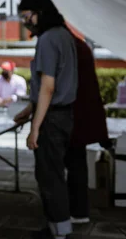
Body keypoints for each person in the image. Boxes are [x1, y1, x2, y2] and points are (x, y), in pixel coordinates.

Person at [13, 0, 78, 239]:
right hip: (63, 115)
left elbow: (49, 87)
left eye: (27, 16)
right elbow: (53, 86)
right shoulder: (64, 35)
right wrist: (28, 110)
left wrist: (35, 128)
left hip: (52, 119)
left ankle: (60, 232)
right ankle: (55, 227)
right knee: (53, 173)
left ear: (40, 13)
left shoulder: (49, 39)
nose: (25, 22)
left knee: (50, 177)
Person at [64, 33, 109, 224]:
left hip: (70, 116)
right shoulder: (80, 47)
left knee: (67, 167)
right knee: (77, 165)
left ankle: (69, 213)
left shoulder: (66, 47)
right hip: (79, 117)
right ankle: (79, 211)